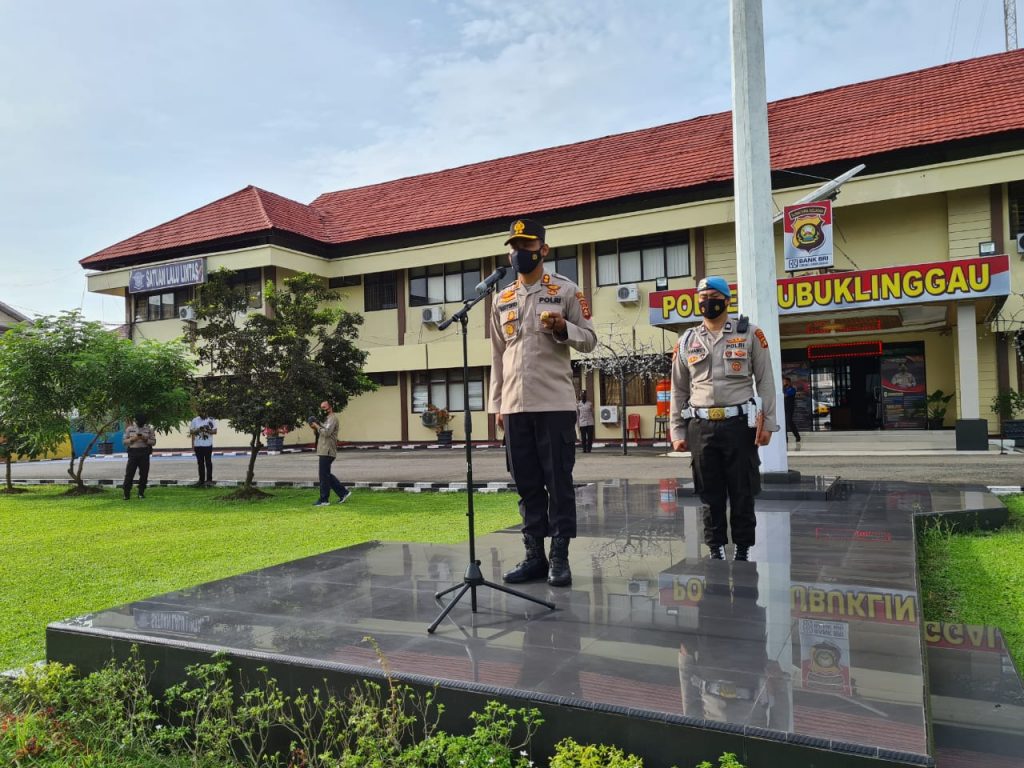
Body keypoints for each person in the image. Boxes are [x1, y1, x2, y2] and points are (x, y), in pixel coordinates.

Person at [489, 217, 597, 587]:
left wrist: (563, 329)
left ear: (543, 250)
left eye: (527, 246)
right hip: (516, 407)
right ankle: (533, 556)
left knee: (558, 482)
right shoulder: (501, 298)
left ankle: (559, 558)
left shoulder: (565, 290)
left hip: (554, 405)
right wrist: (498, 405)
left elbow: (589, 339)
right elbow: (497, 356)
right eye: (515, 247)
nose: (520, 253)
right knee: (527, 484)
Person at [669, 276, 778, 562]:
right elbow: (678, 389)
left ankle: (742, 548)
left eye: (713, 295)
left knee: (742, 489)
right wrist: (677, 431)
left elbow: (765, 382)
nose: (707, 301)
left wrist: (768, 423)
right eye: (702, 296)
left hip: (739, 425)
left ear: (727, 300)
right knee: (709, 492)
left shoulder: (750, 334)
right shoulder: (687, 340)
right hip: (701, 425)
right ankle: (715, 546)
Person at [310, 400, 349, 507]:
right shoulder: (327, 419)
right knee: (325, 475)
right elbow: (321, 432)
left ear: (331, 407)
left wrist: (317, 426)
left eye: (324, 407)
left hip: (328, 450)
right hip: (323, 449)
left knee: (323, 475)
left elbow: (326, 433)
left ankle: (324, 500)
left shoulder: (333, 419)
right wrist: (315, 426)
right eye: (321, 408)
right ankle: (343, 493)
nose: (323, 410)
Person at [122, 413, 156, 500]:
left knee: (144, 473)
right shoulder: (129, 429)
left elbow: (153, 442)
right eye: (139, 421)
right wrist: (132, 439)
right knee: (129, 473)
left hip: (144, 452)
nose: (140, 422)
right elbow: (124, 441)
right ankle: (126, 493)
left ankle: (141, 492)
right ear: (136, 420)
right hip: (133, 452)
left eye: (142, 421)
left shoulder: (149, 429)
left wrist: (145, 439)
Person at [189, 410, 217, 486]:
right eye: (201, 412)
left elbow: (215, 431)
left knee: (208, 463)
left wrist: (206, 430)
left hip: (208, 445)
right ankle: (201, 480)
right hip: (198, 445)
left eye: (204, 412)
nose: (203, 414)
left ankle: (209, 480)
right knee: (200, 463)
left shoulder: (211, 420)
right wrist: (198, 429)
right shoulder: (195, 420)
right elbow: (191, 431)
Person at [783, 376, 800, 444]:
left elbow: (785, 395)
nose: (784, 383)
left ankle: (797, 436)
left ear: (789, 382)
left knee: (789, 422)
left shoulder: (792, 389)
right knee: (784, 423)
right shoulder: (783, 389)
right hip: (784, 409)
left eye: (785, 382)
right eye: (784, 382)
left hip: (790, 409)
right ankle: (785, 438)